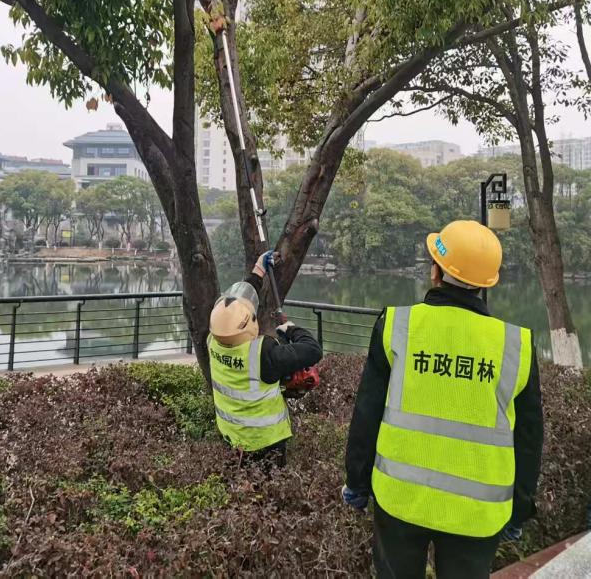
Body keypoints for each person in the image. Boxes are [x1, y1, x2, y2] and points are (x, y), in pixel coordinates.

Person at [342, 220, 543, 578]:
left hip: (400, 499)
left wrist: (357, 482)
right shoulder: (515, 344)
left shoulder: (397, 326)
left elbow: (367, 412)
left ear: (435, 270)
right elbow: (529, 437)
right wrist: (520, 508)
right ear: (486, 283)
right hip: (478, 512)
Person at [208, 250, 323, 468]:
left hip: (231, 434)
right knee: (269, 486)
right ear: (249, 325)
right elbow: (313, 350)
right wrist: (291, 329)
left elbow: (236, 307)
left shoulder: (213, 341)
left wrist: (258, 270)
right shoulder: (263, 354)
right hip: (266, 441)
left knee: (241, 484)